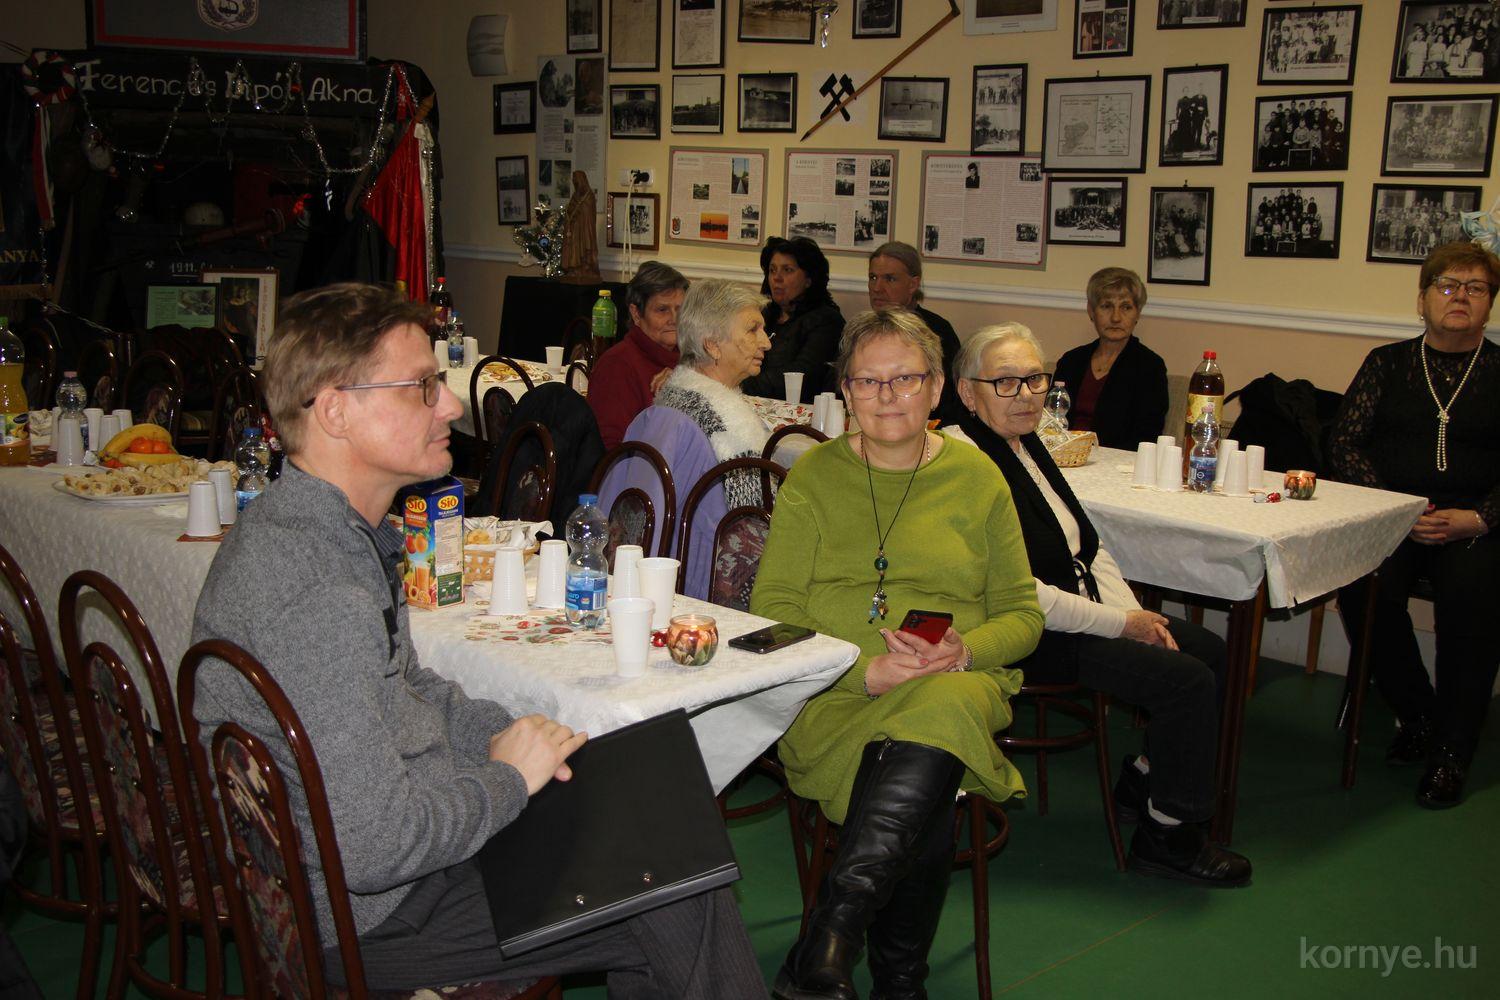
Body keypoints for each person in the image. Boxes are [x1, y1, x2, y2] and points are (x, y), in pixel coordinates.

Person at [190, 283, 763, 995]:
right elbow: (373, 847)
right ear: (335, 410)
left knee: (653, 823)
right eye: (422, 388)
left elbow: (408, 684)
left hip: (374, 868)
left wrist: (503, 733)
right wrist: (507, 780)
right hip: (369, 915)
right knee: (677, 881)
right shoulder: (317, 591)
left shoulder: (319, 531)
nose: (451, 407)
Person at [751, 309, 1043, 999]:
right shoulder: (813, 478)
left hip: (956, 680)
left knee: (941, 711)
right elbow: (772, 614)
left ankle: (831, 935)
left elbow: (1024, 614)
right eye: (867, 381)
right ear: (845, 393)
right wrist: (862, 670)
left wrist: (966, 651)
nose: (886, 396)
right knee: (931, 766)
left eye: (905, 378)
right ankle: (898, 982)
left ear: (937, 388)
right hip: (832, 693)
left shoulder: (978, 479)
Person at [946, 322, 1251, 887]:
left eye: (1035, 379)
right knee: (1186, 680)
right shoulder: (964, 463)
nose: (1026, 395)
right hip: (1026, 633)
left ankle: (1146, 780)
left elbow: (1088, 546)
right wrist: (1120, 624)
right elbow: (1019, 592)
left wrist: (1138, 618)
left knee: (1207, 649)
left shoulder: (1026, 443)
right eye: (1006, 382)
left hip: (1079, 615)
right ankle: (1168, 835)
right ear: (967, 392)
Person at [1330, 241, 1500, 809]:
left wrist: (1480, 518)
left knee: (1473, 599)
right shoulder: (1387, 363)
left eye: (1475, 288)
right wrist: (1399, 511)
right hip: (1398, 516)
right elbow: (1344, 442)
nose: (1460, 297)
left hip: (1476, 523)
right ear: (1422, 299)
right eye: (1447, 286)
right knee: (1362, 587)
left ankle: (1452, 752)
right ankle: (1420, 713)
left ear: (1490, 303)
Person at [601, 279, 772, 602]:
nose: (766, 343)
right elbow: (755, 526)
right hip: (698, 582)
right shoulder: (722, 427)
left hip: (662, 563)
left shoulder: (676, 397)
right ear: (713, 345)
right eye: (753, 330)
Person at [1053, 267, 1169, 449]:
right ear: (1091, 311)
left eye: (1126, 307)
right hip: (1064, 456)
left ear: (1137, 313)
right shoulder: (1071, 361)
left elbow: (1147, 436)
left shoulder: (1150, 367)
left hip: (1119, 461)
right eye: (1106, 306)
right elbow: (1050, 422)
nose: (1116, 317)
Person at [587, 261, 690, 448]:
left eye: (680, 309)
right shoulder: (617, 365)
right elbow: (610, 449)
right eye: (662, 310)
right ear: (636, 314)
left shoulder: (687, 360)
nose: (674, 319)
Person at [866, 241, 965, 425]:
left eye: (890, 279)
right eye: (873, 277)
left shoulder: (936, 331)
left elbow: (949, 401)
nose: (877, 288)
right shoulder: (863, 331)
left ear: (913, 284)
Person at [741, 237, 843, 403]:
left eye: (787, 270)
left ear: (808, 279)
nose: (777, 278)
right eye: (772, 270)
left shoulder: (827, 321)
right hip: (751, 401)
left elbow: (802, 374)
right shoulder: (763, 314)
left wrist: (740, 385)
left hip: (801, 410)